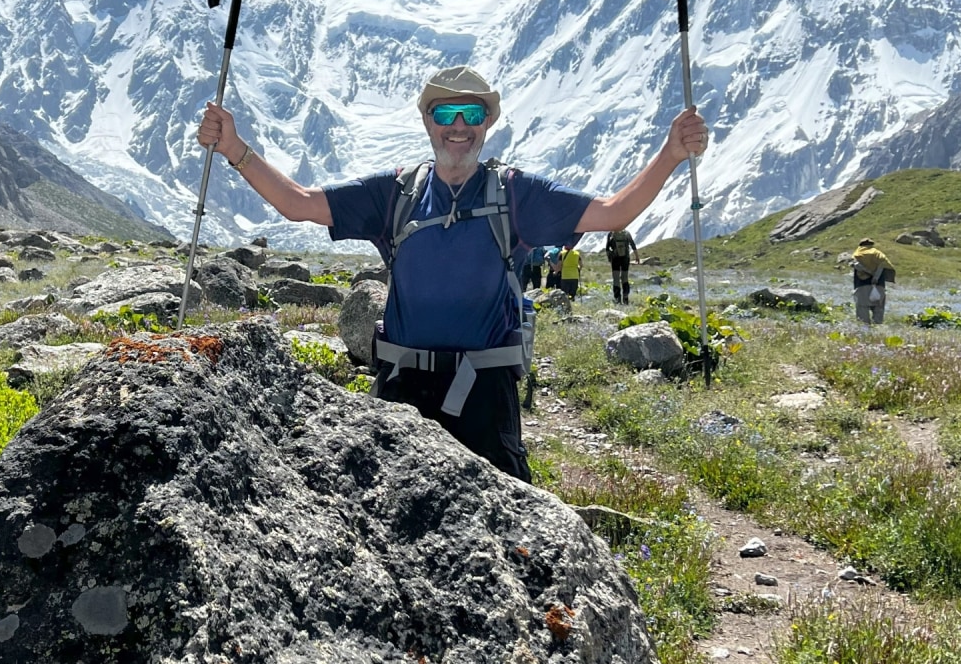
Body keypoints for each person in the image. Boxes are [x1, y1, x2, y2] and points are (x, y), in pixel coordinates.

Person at [196, 65, 707, 482]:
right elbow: (298, 203)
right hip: (401, 390)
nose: (458, 126)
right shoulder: (395, 193)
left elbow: (613, 213)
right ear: (427, 121)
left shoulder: (516, 193)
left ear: (487, 124)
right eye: (446, 112)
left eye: (472, 114)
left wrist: (671, 154)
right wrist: (235, 150)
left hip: (485, 395)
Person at [851, 238, 896, 324]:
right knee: (878, 316)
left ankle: (865, 331)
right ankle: (878, 331)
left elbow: (857, 266)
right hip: (879, 288)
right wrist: (876, 277)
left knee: (863, 318)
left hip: (862, 288)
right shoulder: (879, 254)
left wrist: (868, 272)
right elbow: (884, 266)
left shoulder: (858, 254)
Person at [605, 229, 639, 304]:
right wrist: (637, 256)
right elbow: (633, 245)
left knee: (616, 278)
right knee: (625, 277)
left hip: (615, 258)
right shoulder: (626, 233)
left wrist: (609, 258)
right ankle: (625, 297)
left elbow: (607, 248)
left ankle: (617, 298)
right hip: (625, 258)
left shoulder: (611, 234)